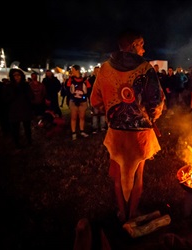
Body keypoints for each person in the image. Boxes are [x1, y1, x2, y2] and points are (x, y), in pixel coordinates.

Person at [90, 28, 165, 223]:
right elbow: (156, 101)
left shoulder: (105, 68)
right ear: (132, 46)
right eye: (140, 44)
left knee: (118, 173)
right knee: (137, 173)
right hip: (140, 132)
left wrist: (110, 113)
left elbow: (95, 101)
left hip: (116, 130)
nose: (143, 48)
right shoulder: (145, 69)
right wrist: (153, 117)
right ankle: (132, 214)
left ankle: (122, 213)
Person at [2, 69, 34, 149]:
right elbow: (4, 98)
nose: (17, 77)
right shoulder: (9, 86)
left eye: (18, 75)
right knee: (15, 128)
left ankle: (29, 141)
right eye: (15, 75)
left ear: (21, 76)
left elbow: (31, 96)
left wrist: (28, 97)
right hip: (14, 110)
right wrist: (11, 97)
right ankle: (17, 143)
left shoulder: (26, 85)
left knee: (27, 127)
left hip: (25, 109)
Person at [66, 64, 91, 140]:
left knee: (82, 117)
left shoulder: (85, 80)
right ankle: (74, 133)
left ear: (77, 70)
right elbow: (67, 89)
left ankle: (82, 131)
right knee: (73, 117)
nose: (71, 71)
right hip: (73, 101)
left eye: (73, 70)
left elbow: (89, 89)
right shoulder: (70, 79)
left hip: (82, 101)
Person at [86, 66, 106, 134]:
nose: (97, 72)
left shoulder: (104, 79)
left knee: (102, 113)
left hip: (102, 99)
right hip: (94, 99)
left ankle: (102, 126)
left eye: (98, 71)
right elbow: (88, 90)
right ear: (94, 72)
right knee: (95, 114)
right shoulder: (91, 80)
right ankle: (95, 127)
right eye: (96, 71)